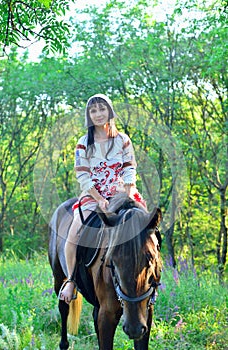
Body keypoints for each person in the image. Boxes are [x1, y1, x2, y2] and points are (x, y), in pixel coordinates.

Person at [59, 93, 147, 304]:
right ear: (89, 115)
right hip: (94, 195)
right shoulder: (83, 143)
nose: (98, 114)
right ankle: (71, 280)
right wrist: (99, 199)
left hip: (122, 191)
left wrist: (127, 191)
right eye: (93, 110)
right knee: (74, 233)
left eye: (102, 109)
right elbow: (83, 175)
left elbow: (129, 168)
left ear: (109, 111)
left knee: (146, 223)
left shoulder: (123, 140)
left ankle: (150, 275)